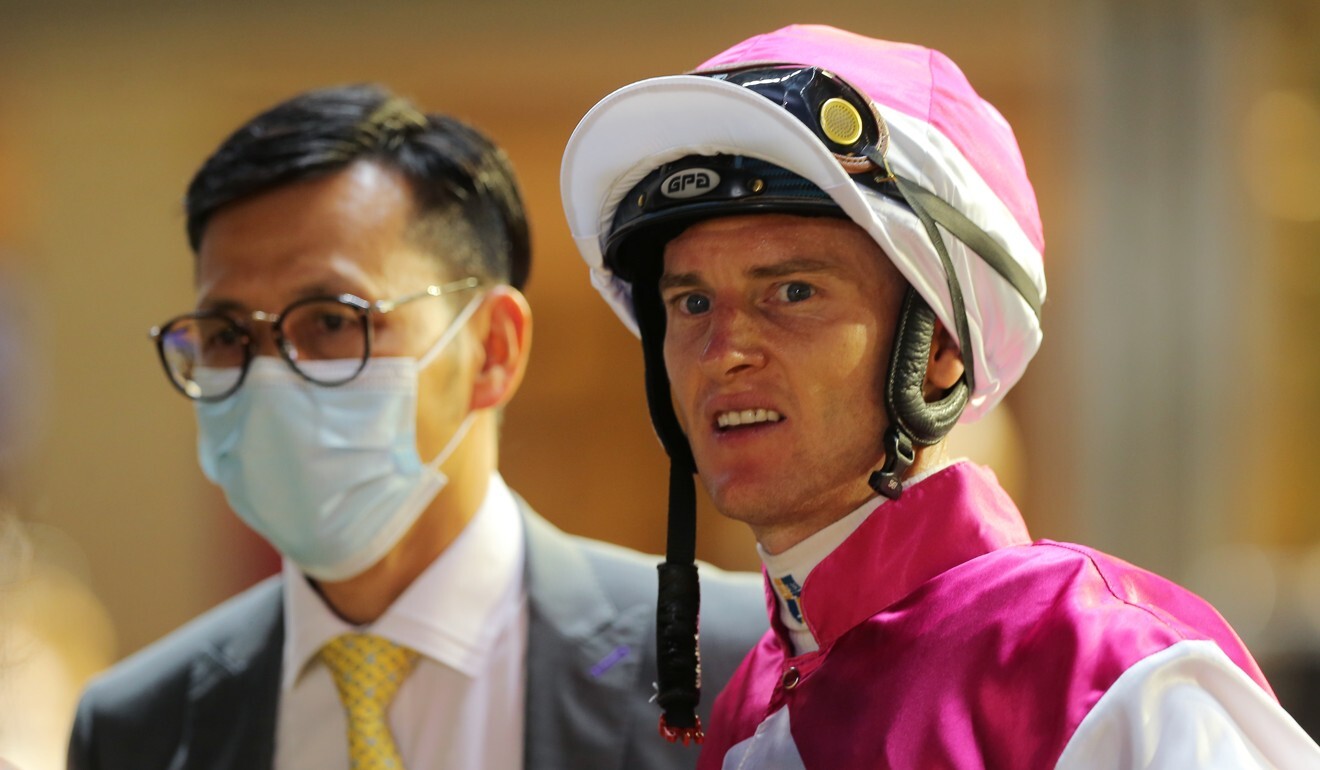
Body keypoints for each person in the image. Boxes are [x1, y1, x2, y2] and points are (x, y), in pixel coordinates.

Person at [560, 24, 1320, 768]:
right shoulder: (742, 705)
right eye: (692, 303)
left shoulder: (1103, 666)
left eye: (792, 292)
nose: (724, 352)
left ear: (940, 351)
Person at [68, 84, 766, 770]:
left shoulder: (735, 659)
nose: (270, 374)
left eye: (334, 321)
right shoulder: (138, 728)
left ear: (493, 348)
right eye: (225, 335)